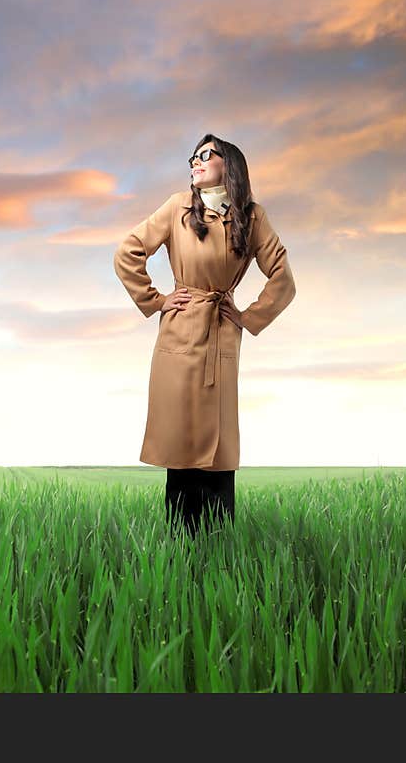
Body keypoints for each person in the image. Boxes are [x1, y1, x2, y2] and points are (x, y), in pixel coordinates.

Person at [113, 133, 297, 539]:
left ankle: (219, 549)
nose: (195, 162)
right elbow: (128, 252)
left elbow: (283, 277)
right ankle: (179, 547)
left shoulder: (251, 216)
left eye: (204, 155)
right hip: (180, 331)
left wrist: (249, 316)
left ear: (227, 164)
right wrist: (156, 300)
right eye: (192, 157)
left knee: (218, 452)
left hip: (221, 333)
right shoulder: (177, 206)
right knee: (181, 444)